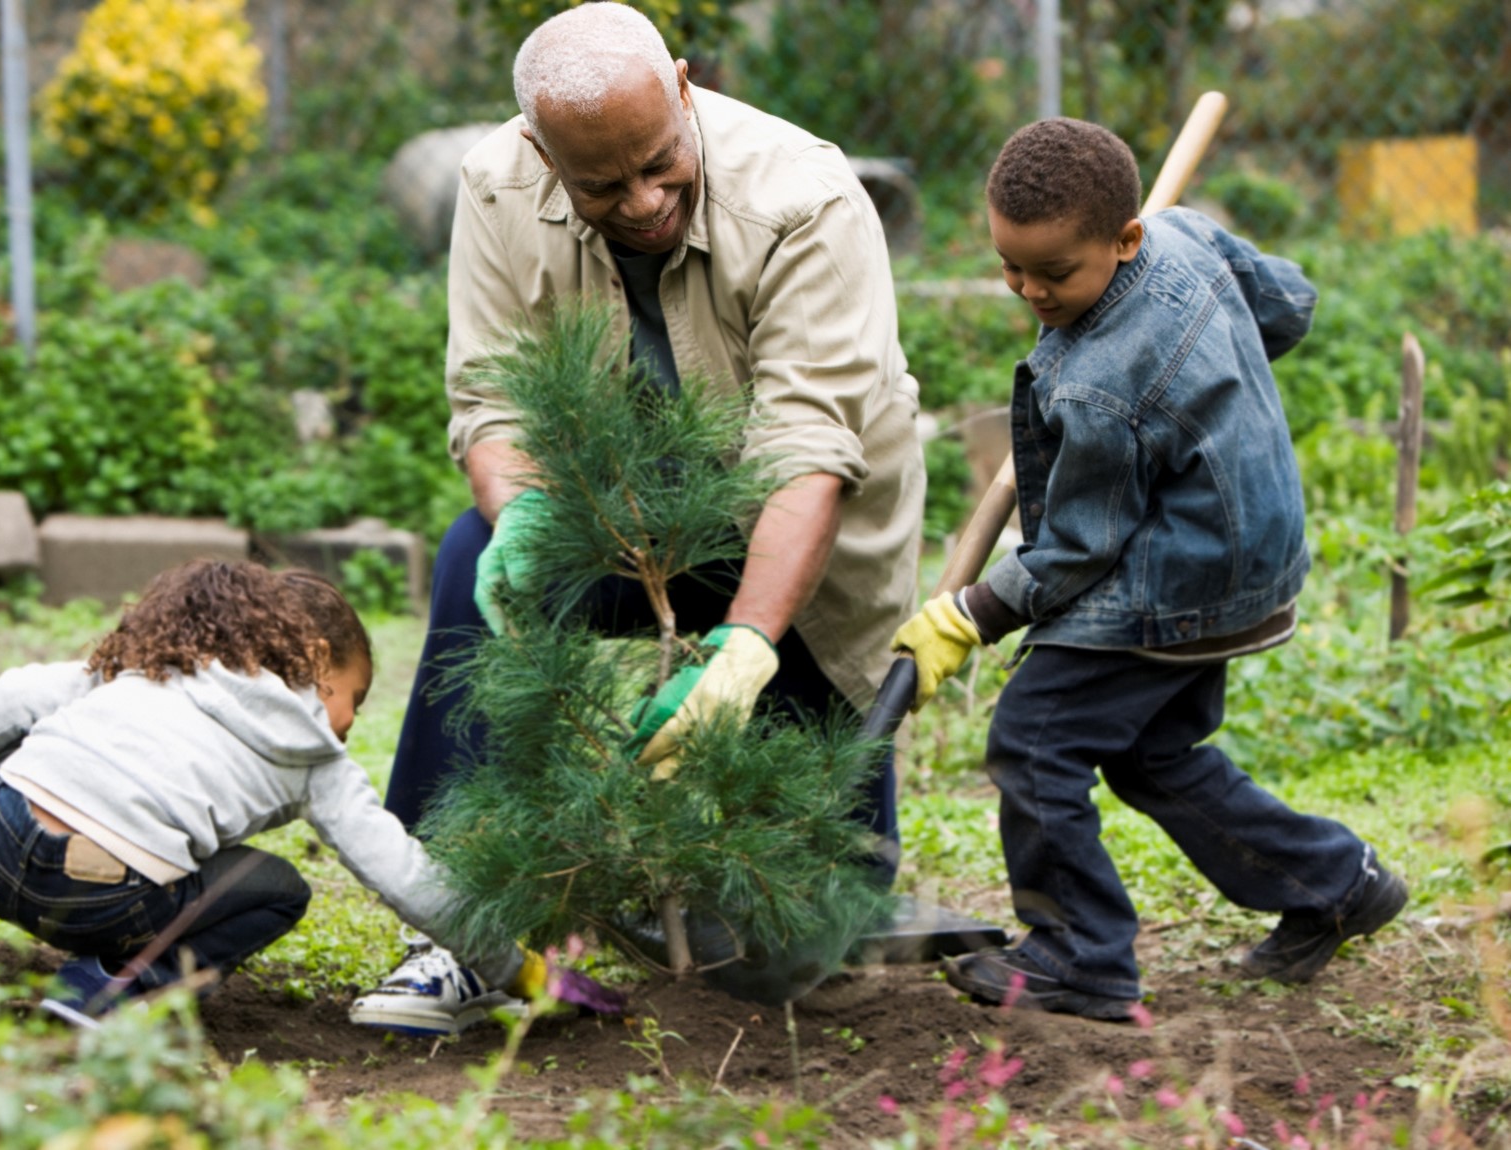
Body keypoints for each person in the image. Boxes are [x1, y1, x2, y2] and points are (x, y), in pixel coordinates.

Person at [352, 1, 925, 1025]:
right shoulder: (496, 182)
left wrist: (745, 648)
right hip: (619, 519)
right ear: (543, 152)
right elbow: (491, 397)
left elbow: (806, 453)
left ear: (683, 84)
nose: (645, 200)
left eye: (660, 163)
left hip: (797, 540)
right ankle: (461, 924)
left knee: (818, 917)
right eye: (602, 185)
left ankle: (790, 875)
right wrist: (519, 515)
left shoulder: (805, 197)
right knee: (473, 555)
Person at [890, 118, 1407, 1021]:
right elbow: (1286, 304)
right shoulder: (1185, 233)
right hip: (1247, 556)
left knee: (1035, 740)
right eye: (1011, 267)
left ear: (1124, 239)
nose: (1030, 290)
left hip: (1177, 582)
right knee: (1150, 753)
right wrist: (1212, 380)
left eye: (1054, 273)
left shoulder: (1099, 384)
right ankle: (1335, 882)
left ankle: (1078, 957)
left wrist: (972, 611)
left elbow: (1078, 549)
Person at [0, 560, 618, 1032]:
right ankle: (110, 988)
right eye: (355, 696)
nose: (349, 722)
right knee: (278, 889)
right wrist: (516, 969)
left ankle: (95, 942)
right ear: (317, 664)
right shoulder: (318, 759)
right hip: (100, 892)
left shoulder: (164, 662)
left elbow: (12, 695)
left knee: (60, 754)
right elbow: (407, 877)